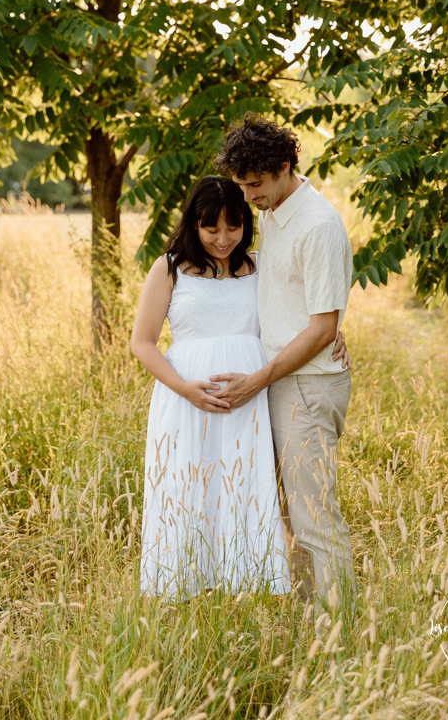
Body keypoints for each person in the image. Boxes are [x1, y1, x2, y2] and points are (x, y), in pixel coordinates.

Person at [212, 114, 354, 604]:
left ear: (285, 166)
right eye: (242, 186)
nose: (248, 198)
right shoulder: (275, 211)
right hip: (283, 379)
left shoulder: (317, 225)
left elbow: (321, 328)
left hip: (307, 387)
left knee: (315, 518)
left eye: (255, 185)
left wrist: (257, 379)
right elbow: (301, 308)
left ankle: (339, 634)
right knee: (288, 516)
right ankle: (309, 622)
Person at [130, 175, 290, 598]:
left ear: (245, 225)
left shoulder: (259, 265)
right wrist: (185, 389)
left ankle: (248, 587)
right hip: (186, 401)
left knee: (243, 488)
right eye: (211, 228)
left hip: (249, 401)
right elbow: (142, 342)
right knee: (189, 489)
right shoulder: (169, 267)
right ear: (193, 223)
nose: (223, 239)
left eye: (233, 227)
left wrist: (335, 332)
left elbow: (299, 315)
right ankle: (184, 586)